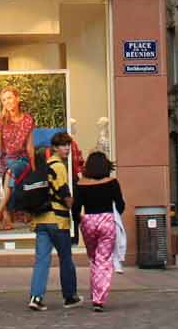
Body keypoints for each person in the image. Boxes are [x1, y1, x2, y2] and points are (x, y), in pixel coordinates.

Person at [26, 132, 79, 311]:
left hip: (40, 220)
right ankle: (70, 296)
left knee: (41, 260)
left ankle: (36, 296)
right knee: (65, 258)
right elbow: (64, 192)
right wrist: (72, 206)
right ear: (55, 148)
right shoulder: (59, 166)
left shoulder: (44, 166)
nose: (67, 149)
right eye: (63, 145)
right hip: (57, 220)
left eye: (68, 145)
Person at [74, 151, 127, 311]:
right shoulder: (112, 182)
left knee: (94, 258)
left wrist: (80, 221)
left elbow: (76, 208)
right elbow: (120, 205)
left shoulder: (81, 184)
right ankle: (99, 298)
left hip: (88, 221)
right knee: (103, 260)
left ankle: (94, 291)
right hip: (106, 221)